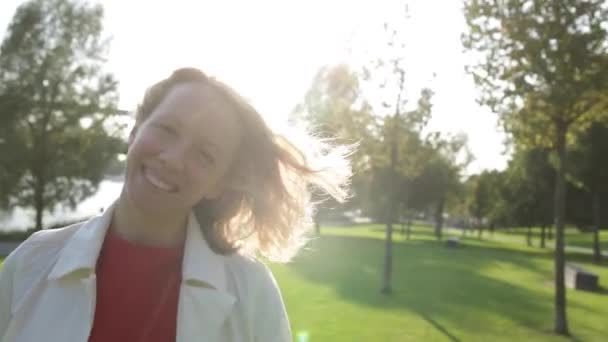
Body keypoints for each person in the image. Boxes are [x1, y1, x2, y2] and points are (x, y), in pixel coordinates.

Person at [0, 68, 352, 342]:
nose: (173, 158)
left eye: (204, 154)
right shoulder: (33, 261)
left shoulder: (251, 290)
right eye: (167, 129)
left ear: (218, 184)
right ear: (134, 131)